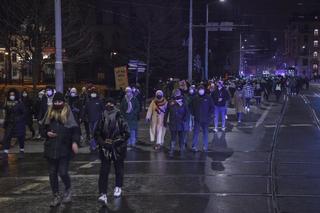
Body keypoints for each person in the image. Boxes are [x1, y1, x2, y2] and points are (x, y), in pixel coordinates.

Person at [40, 92, 79, 207]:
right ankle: (56, 195)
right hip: (51, 149)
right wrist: (47, 133)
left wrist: (74, 142)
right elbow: (42, 129)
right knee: (52, 174)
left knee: (63, 172)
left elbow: (75, 130)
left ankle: (68, 189)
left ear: (63, 102)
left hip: (64, 149)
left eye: (59, 101)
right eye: (55, 102)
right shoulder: (49, 113)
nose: (57, 103)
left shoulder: (68, 114)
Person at [95, 98, 130, 206]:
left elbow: (126, 133)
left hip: (118, 149)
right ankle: (102, 194)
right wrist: (103, 143)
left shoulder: (120, 116)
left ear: (115, 105)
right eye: (107, 103)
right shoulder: (102, 116)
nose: (109, 105)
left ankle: (118, 187)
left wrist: (115, 142)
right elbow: (97, 133)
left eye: (111, 103)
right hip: (105, 148)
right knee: (104, 171)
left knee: (118, 169)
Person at [1, 89, 27, 159]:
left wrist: (19, 118)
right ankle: (5, 152)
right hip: (10, 123)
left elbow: (24, 113)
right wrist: (5, 123)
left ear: (16, 95)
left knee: (20, 137)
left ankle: (22, 150)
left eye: (13, 95)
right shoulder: (7, 103)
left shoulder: (20, 103)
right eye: (10, 95)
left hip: (19, 124)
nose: (11, 96)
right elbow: (7, 114)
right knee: (7, 137)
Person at [164, 89, 189, 157]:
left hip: (181, 123)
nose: (176, 95)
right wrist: (165, 121)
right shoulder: (170, 102)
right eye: (175, 94)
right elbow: (166, 112)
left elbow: (187, 112)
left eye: (177, 94)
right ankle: (172, 150)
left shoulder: (184, 102)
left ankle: (182, 150)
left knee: (181, 138)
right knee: (173, 138)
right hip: (173, 123)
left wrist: (185, 119)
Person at [191, 85, 214, 152]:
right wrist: (193, 114)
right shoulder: (195, 98)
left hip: (205, 119)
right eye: (199, 89)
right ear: (198, 90)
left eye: (202, 89)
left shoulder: (208, 97)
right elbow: (190, 107)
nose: (201, 91)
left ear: (204, 90)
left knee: (205, 133)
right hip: (197, 119)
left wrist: (209, 115)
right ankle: (194, 146)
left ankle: (205, 146)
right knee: (196, 133)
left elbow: (212, 107)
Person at [82, 87, 105, 152]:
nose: (93, 94)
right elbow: (85, 111)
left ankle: (95, 145)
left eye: (94, 93)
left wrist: (103, 117)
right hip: (90, 120)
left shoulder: (99, 101)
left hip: (98, 120)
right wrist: (83, 118)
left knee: (94, 133)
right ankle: (94, 145)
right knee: (92, 133)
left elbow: (103, 110)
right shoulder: (88, 102)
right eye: (92, 93)